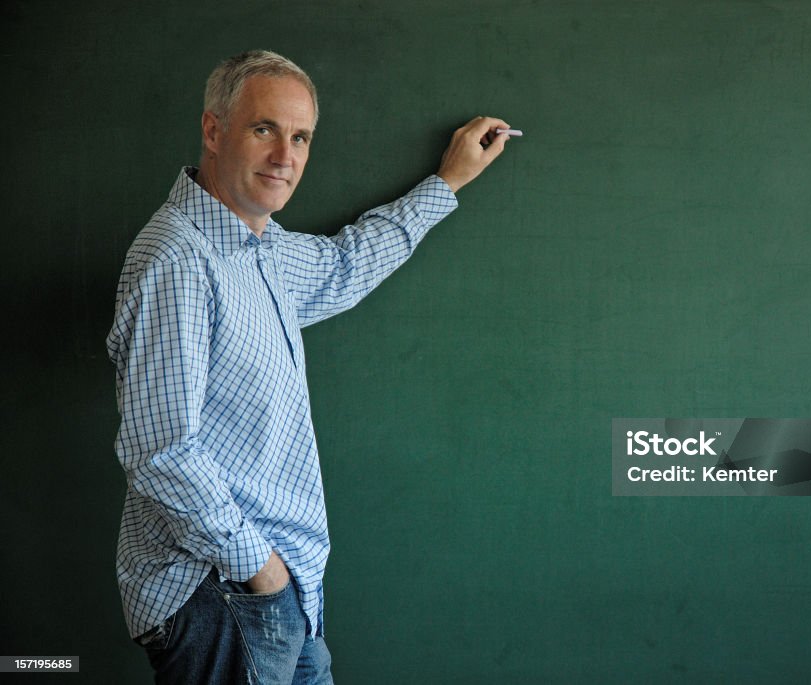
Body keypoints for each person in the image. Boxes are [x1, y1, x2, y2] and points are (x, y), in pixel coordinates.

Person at [106, 49, 511, 684]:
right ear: (213, 130)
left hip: (275, 593)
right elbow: (160, 449)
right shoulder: (181, 259)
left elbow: (349, 263)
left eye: (300, 137)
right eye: (264, 129)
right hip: (223, 593)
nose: (285, 156)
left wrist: (448, 182)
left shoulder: (261, 249)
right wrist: (259, 568)